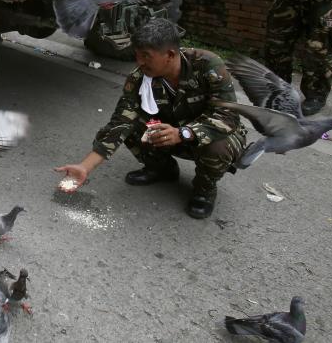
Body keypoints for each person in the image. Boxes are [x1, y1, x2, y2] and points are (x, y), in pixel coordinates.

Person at [54, 18, 247, 219]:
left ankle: (204, 190)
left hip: (205, 136)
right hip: (169, 133)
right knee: (132, 127)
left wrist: (183, 133)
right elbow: (121, 122)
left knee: (219, 146)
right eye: (137, 55)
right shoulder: (140, 77)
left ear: (170, 55)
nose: (140, 62)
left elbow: (228, 117)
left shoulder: (207, 65)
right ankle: (162, 170)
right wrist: (85, 166)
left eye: (146, 56)